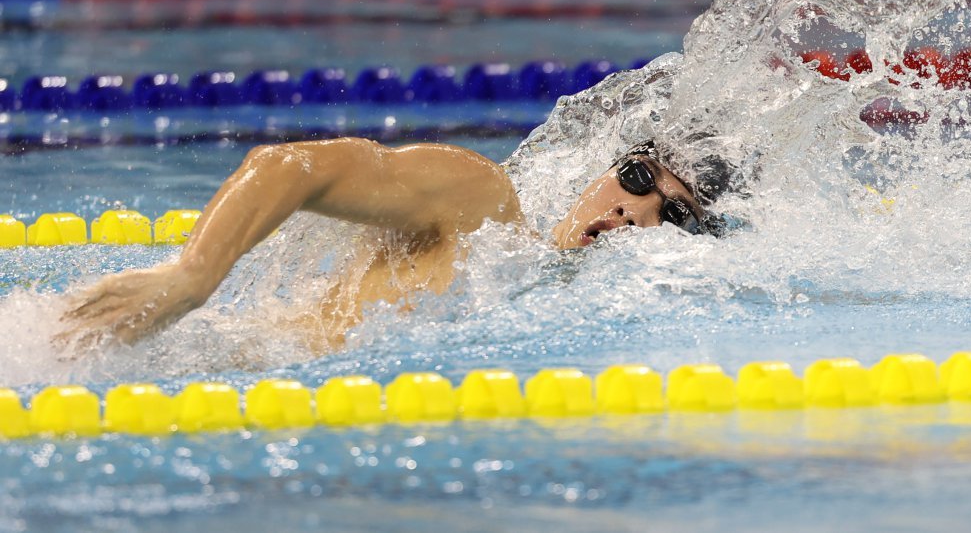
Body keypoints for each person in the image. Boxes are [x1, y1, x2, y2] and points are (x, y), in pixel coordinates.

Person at [55, 136, 722, 353]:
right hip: (153, 352)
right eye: (637, 178)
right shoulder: (481, 204)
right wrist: (193, 275)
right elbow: (291, 166)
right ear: (607, 166)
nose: (635, 211)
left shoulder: (590, 323)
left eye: (675, 215)